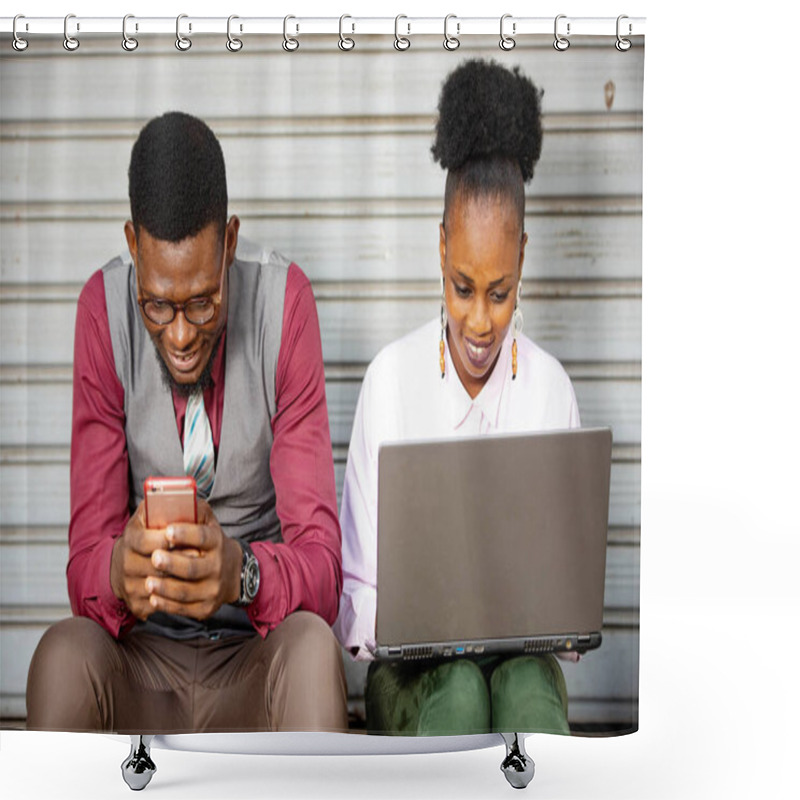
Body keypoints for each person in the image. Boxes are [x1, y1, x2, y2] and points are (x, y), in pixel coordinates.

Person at [26, 111, 348, 734]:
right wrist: (119, 569)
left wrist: (242, 574)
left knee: (311, 649)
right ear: (132, 244)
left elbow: (323, 567)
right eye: (157, 304)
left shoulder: (285, 303)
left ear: (229, 242)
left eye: (202, 301)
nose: (179, 335)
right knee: (62, 657)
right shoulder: (101, 309)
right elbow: (83, 565)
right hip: (143, 666)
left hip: (254, 662)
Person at [333, 60, 581, 736]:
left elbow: (564, 602)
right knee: (464, 694)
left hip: (518, 659)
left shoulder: (550, 391)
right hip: (410, 676)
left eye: (499, 293)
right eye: (462, 286)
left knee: (529, 690)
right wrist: (426, 628)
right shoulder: (392, 380)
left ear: (523, 261)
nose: (478, 321)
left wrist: (548, 622)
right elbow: (354, 599)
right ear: (441, 250)